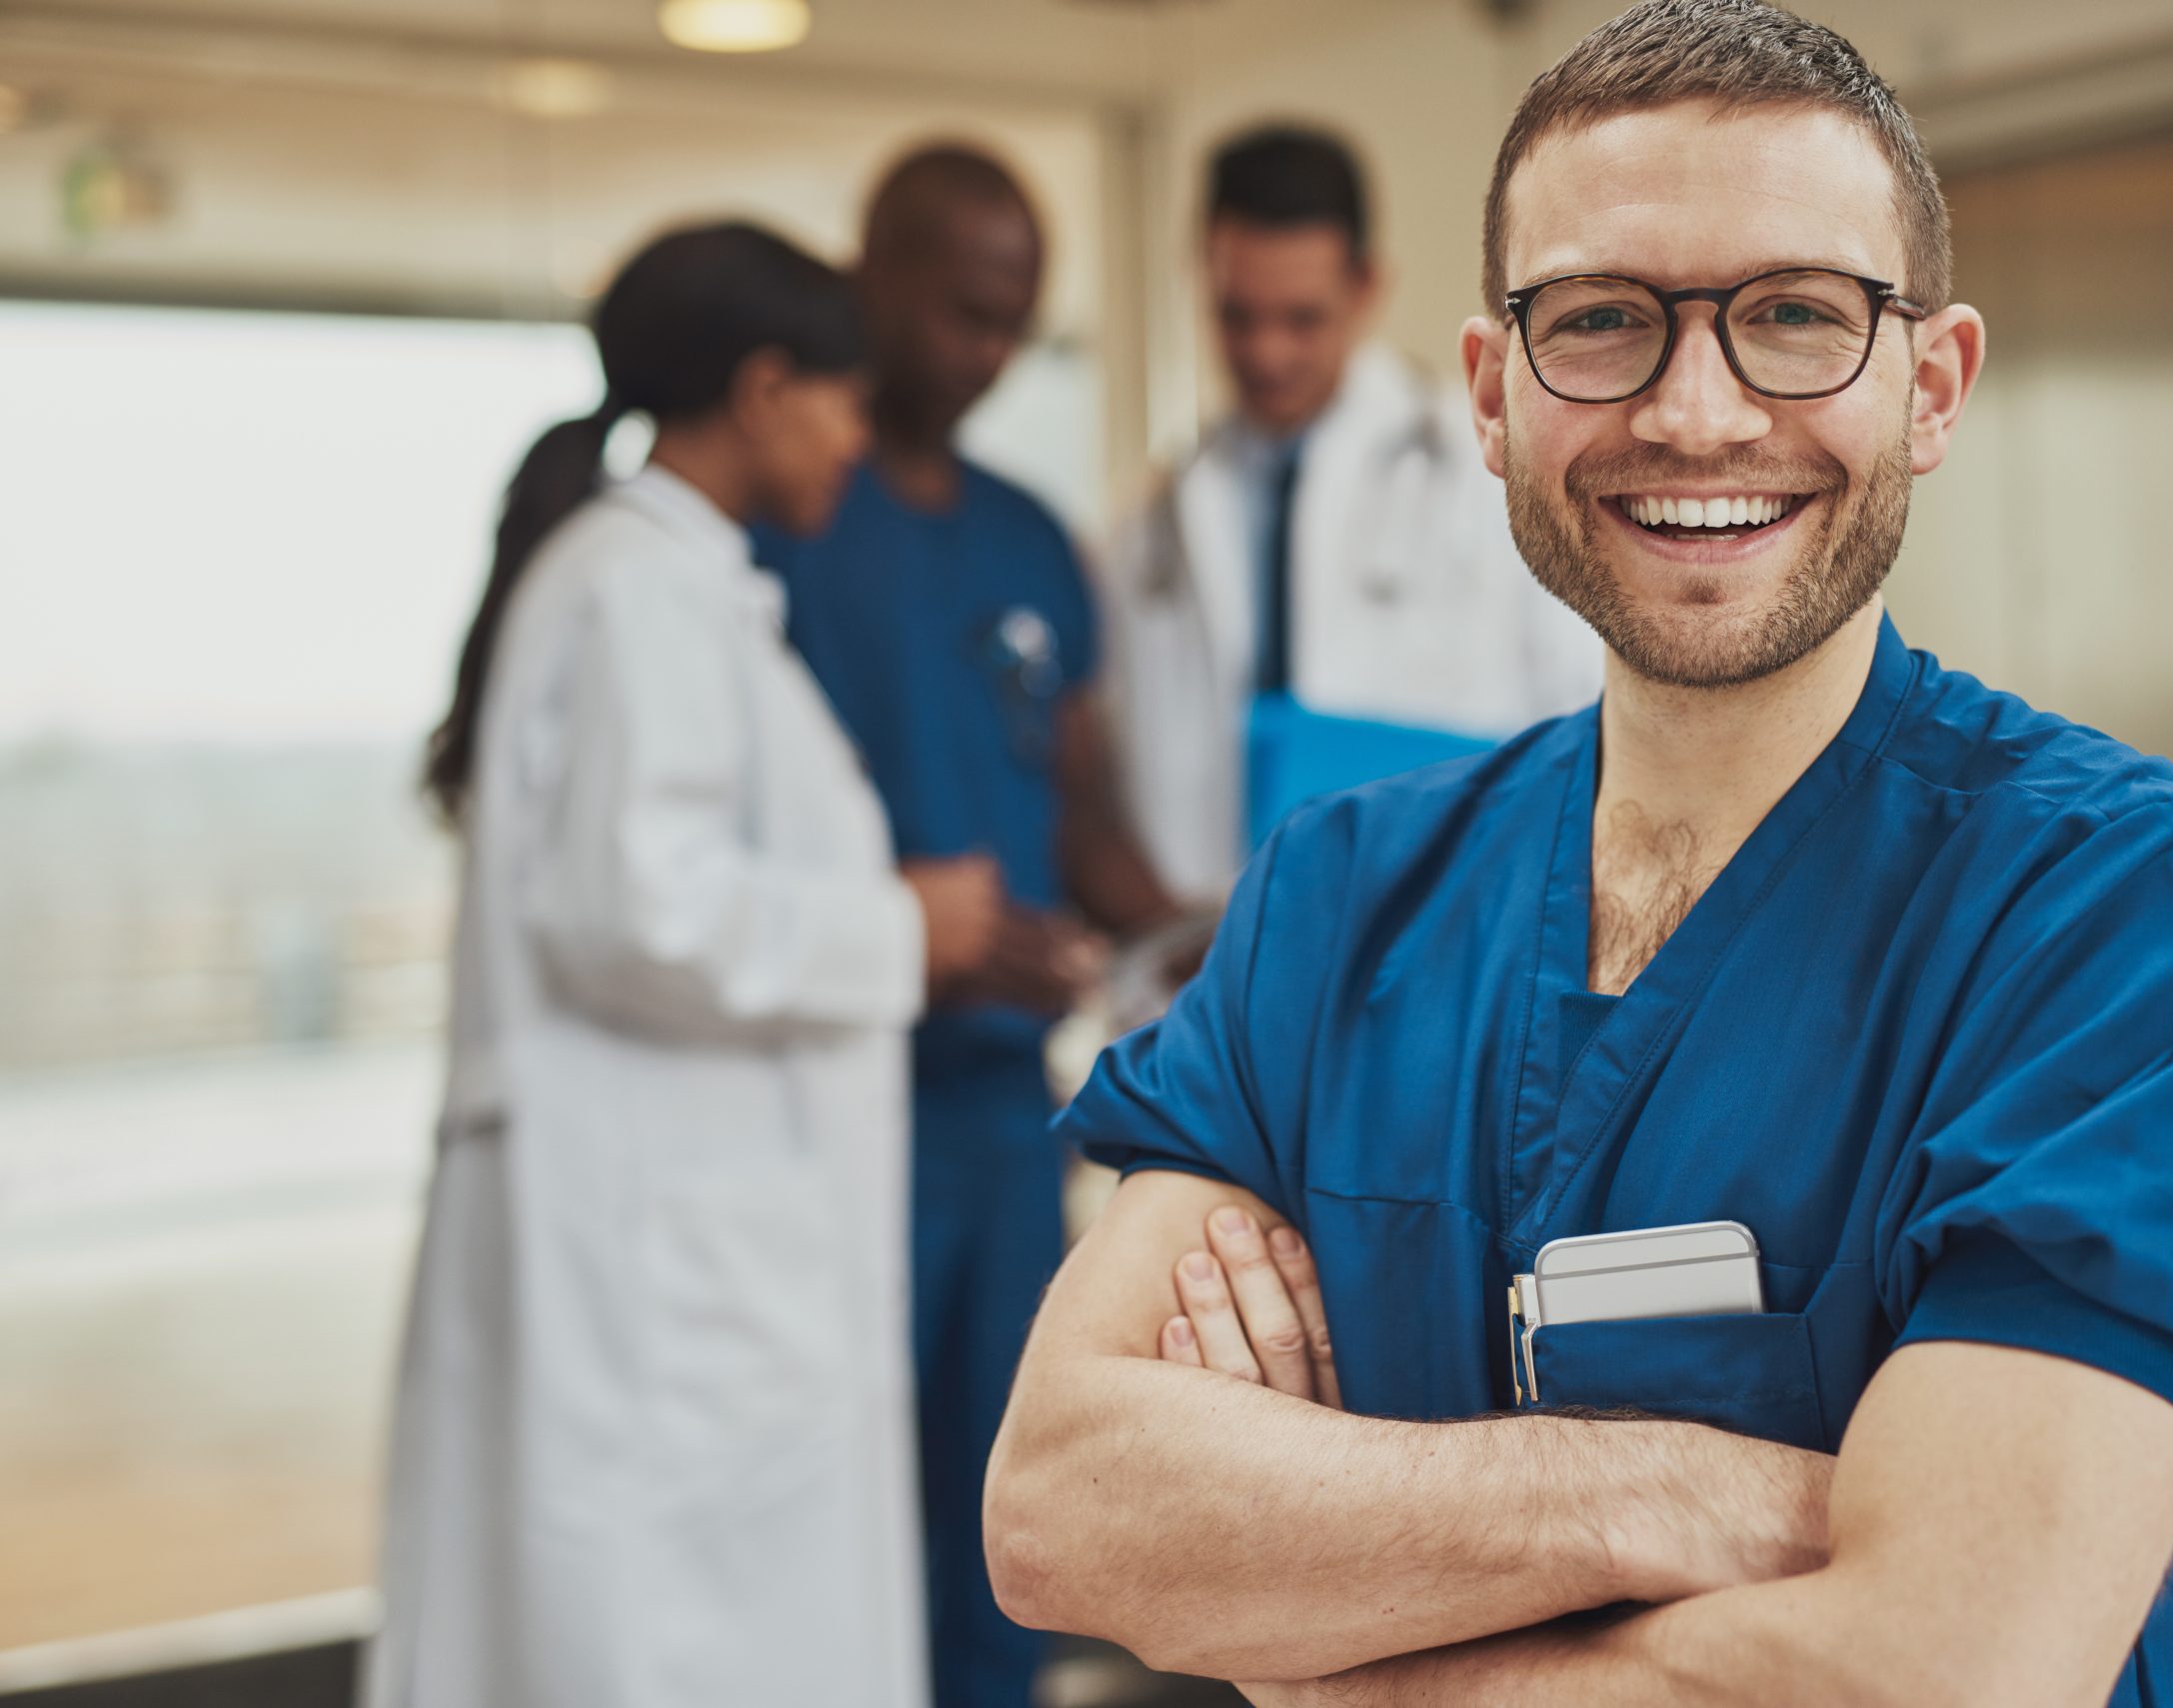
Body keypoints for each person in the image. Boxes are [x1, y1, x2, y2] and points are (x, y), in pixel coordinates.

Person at [984, 5, 2173, 1706]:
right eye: (1603, 321)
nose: (1696, 413)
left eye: (1797, 314)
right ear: (1493, 392)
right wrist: (1680, 1487)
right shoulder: (1335, 898)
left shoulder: (2118, 916)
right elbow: (1062, 1506)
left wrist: (1331, 1641)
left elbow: (1948, 1664)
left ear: (1930, 386)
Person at [369, 221, 1000, 1708]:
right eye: (844, 398)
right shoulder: (640, 591)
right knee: (653, 1639)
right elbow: (636, 907)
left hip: (676, 1239)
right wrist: (907, 928)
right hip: (652, 1255)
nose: (859, 436)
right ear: (767, 387)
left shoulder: (673, 584)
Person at [752, 146, 1184, 1708]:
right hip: (821, 1110)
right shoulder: (786, 510)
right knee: (822, 1517)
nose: (987, 353)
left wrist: (1202, 935)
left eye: (1016, 322)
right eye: (960, 311)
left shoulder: (1029, 543)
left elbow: (1083, 817)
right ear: (872, 272)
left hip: (1005, 1115)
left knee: (995, 1521)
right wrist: (904, 933)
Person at [1107, 124, 1599, 903]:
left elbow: (1587, 719)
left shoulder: (1484, 470)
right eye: (1238, 316)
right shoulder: (1157, 519)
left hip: (1444, 927)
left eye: (1301, 319)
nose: (1267, 353)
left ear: (1366, 286)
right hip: (1215, 955)